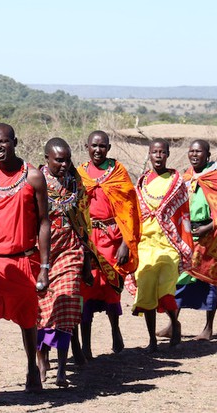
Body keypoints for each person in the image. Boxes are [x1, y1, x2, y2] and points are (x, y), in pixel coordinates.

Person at [0, 123, 51, 407]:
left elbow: (44, 222)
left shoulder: (34, 178)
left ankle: (32, 369)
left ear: (15, 141)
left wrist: (44, 266)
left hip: (24, 261)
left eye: (2, 142)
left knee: (28, 323)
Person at [157, 140, 217, 341]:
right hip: (187, 233)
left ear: (208, 155)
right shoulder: (187, 176)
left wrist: (207, 227)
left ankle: (208, 328)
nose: (194, 155)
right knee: (179, 277)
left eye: (199, 152)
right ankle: (173, 324)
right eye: (191, 151)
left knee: (208, 280)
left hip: (210, 235)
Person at [76, 130, 141, 359]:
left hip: (113, 238)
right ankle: (86, 346)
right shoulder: (80, 174)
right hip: (88, 240)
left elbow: (130, 210)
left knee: (112, 290)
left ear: (109, 148)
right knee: (86, 289)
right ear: (87, 146)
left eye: (102, 146)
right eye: (94, 145)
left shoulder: (118, 172)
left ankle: (115, 330)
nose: (97, 150)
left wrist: (126, 243)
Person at [36, 138, 93, 388]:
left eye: (67, 159)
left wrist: (88, 258)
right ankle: (41, 362)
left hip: (70, 247)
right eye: (59, 159)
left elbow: (84, 220)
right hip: (42, 251)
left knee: (67, 303)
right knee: (43, 310)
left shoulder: (75, 181)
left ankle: (61, 368)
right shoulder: (35, 181)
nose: (64, 164)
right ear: (47, 158)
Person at [132, 138, 192, 352]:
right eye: (154, 152)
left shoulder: (177, 182)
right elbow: (135, 214)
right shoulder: (141, 182)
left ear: (168, 154)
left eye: (162, 152)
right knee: (146, 293)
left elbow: (184, 213)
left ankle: (175, 324)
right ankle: (152, 339)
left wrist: (186, 243)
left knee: (165, 290)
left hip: (169, 244)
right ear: (149, 154)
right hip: (146, 245)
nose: (158, 156)